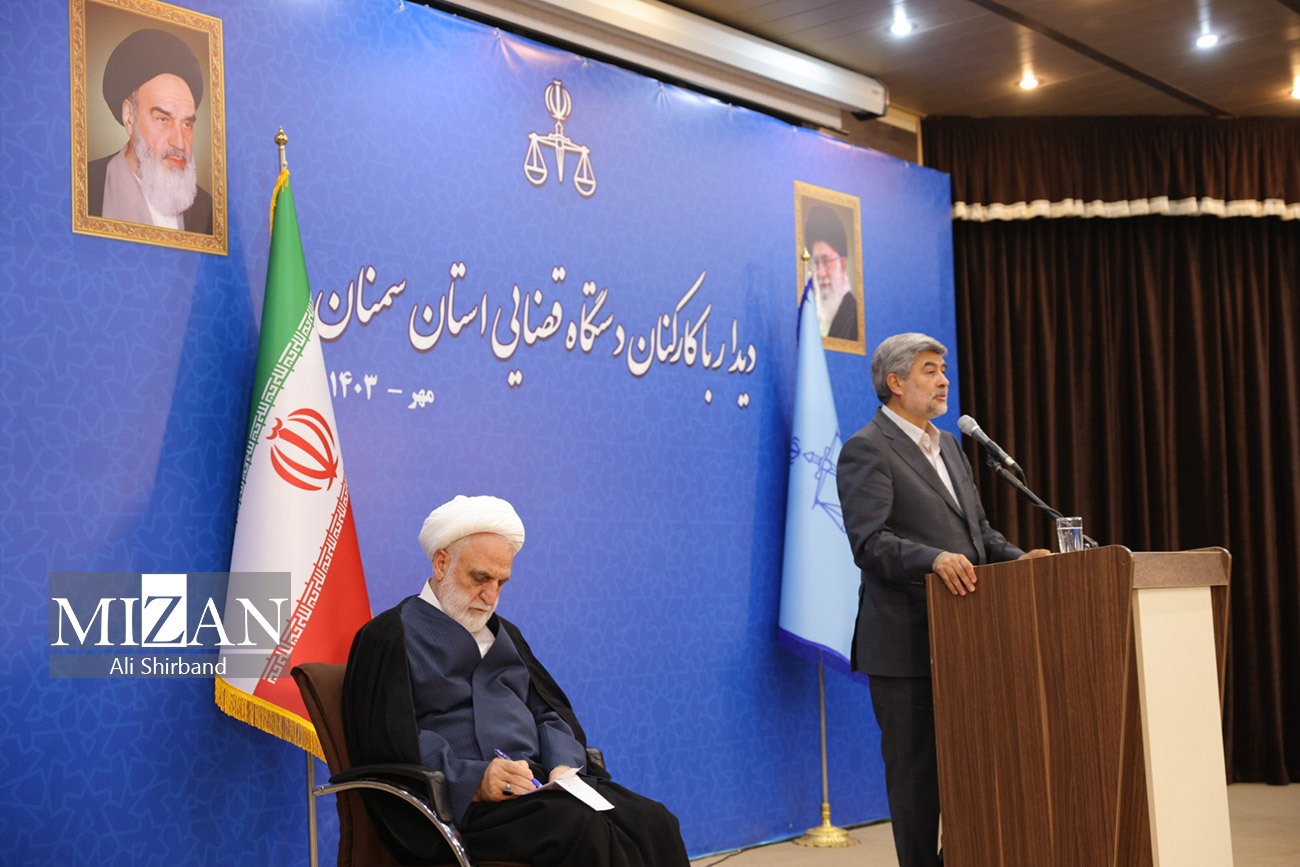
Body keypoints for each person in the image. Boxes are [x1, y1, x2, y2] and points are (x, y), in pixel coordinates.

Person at [343, 494, 690, 866]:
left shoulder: (507, 634)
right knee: (581, 829)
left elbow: (548, 712)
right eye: (480, 578)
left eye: (501, 582)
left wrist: (561, 764)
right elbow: (389, 741)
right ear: (442, 563)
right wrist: (475, 780)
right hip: (461, 807)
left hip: (541, 788)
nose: (490, 595)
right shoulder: (388, 636)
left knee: (654, 821)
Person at [835, 333, 1049, 867]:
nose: (943, 381)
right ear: (895, 382)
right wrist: (932, 559)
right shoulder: (867, 448)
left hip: (967, 639)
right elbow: (869, 542)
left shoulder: (950, 446)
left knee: (974, 774)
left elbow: (978, 534)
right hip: (906, 645)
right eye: (929, 370)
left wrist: (1019, 559)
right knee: (917, 784)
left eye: (943, 370)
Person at [87, 28, 212, 233]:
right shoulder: (85, 186)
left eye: (187, 124)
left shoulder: (207, 210)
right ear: (130, 116)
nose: (180, 142)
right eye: (163, 120)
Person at [803, 204, 858, 341]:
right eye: (816, 262)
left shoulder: (853, 318)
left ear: (843, 264)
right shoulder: (810, 320)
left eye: (826, 261)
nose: (821, 273)